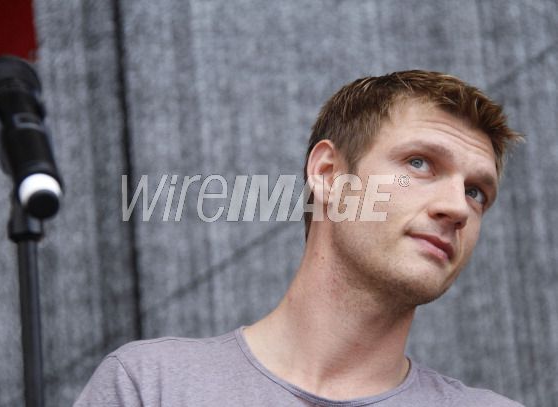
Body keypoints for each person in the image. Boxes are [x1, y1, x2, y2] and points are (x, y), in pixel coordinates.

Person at [74, 71, 525, 406]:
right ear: (328, 175)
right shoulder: (151, 387)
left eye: (476, 191)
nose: (457, 208)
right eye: (420, 163)